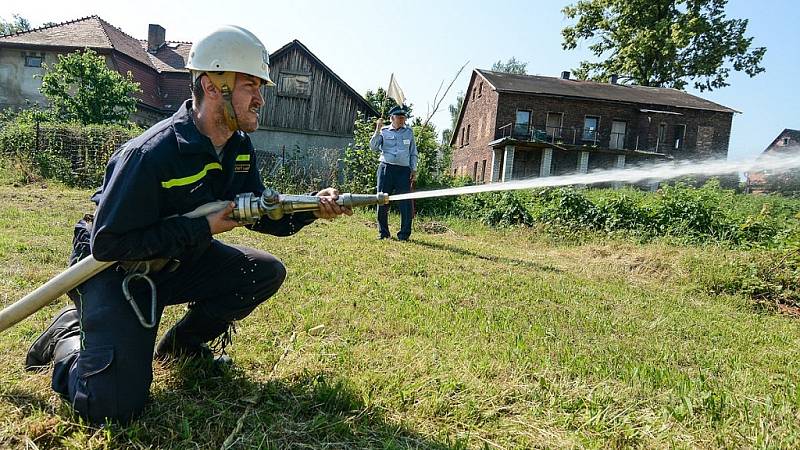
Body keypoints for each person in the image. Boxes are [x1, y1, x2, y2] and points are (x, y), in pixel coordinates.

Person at [22, 25, 351, 425]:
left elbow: (261, 215)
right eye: (251, 85)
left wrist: (313, 208)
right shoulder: (150, 155)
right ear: (213, 87)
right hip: (114, 270)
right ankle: (66, 340)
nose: (261, 98)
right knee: (110, 407)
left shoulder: (237, 148)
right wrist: (203, 229)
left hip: (178, 259)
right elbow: (108, 245)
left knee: (260, 272)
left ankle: (181, 348)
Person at [369, 105, 417, 240]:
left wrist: (413, 169)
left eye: (403, 117)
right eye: (399, 117)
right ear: (392, 118)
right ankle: (383, 233)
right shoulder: (384, 131)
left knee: (405, 203)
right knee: (382, 200)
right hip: (386, 169)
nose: (402, 120)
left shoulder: (409, 132)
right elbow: (373, 147)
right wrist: (377, 129)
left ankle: (404, 234)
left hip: (403, 171)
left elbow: (413, 152)